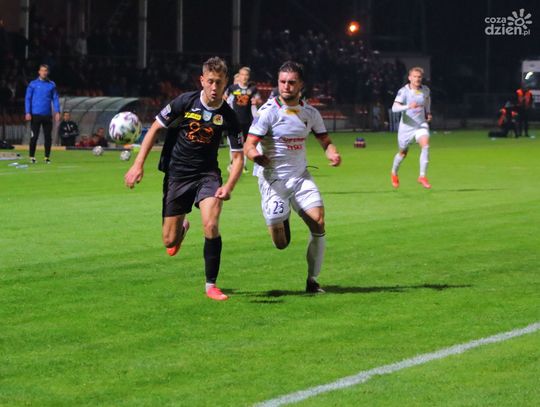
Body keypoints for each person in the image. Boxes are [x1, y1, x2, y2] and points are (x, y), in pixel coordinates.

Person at [124, 57, 243, 301]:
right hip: (177, 175)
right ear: (202, 80)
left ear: (225, 84)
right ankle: (182, 228)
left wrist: (229, 186)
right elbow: (155, 128)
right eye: (210, 81)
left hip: (207, 175)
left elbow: (238, 157)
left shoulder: (229, 116)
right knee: (169, 240)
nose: (214, 87)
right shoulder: (185, 102)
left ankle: (211, 285)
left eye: (219, 82)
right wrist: (138, 164)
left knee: (211, 224)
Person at [243, 61, 341, 293]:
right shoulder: (268, 112)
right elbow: (249, 145)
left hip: (300, 177)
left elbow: (325, 140)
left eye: (291, 82)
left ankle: (312, 280)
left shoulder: (311, 113)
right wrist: (256, 157)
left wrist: (332, 152)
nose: (286, 86)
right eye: (282, 82)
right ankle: (282, 215)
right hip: (273, 180)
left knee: (318, 222)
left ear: (301, 85)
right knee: (281, 244)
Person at [390, 66, 432, 189]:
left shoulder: (425, 90)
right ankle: (394, 173)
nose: (417, 79)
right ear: (409, 78)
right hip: (406, 128)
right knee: (403, 153)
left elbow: (427, 100)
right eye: (415, 77)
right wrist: (408, 106)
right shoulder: (403, 91)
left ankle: (422, 176)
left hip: (420, 125)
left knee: (426, 146)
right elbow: (394, 108)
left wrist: (428, 112)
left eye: (419, 77)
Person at [224, 66, 261, 173]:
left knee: (246, 144)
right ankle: (233, 163)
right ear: (239, 76)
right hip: (235, 121)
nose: (244, 77)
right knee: (235, 143)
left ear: (248, 77)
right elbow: (224, 98)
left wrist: (257, 101)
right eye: (242, 75)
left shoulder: (252, 89)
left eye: (246, 75)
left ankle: (242, 165)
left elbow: (259, 100)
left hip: (247, 121)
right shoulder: (232, 88)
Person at [25, 64, 61, 164]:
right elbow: (28, 98)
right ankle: (32, 156)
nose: (44, 72)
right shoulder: (33, 84)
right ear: (39, 72)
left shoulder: (51, 84)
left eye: (45, 71)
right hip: (35, 114)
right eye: (42, 70)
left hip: (47, 115)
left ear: (47, 72)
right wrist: (27, 112)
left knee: (48, 137)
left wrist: (57, 111)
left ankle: (47, 157)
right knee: (34, 137)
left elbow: (55, 98)